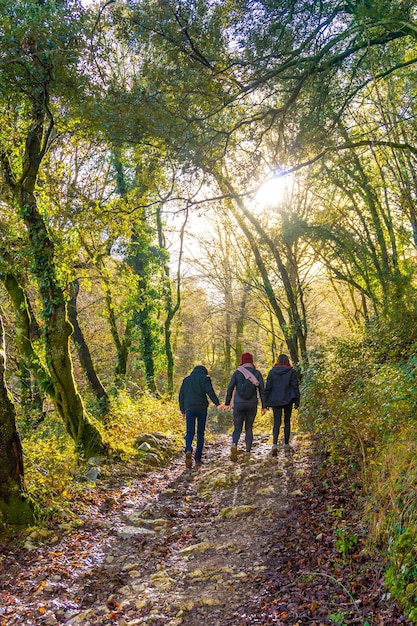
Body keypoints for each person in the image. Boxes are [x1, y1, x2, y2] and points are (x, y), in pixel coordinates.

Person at [224, 352, 266, 461]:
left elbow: (230, 388)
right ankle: (248, 451)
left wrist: (227, 403)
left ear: (242, 361)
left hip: (238, 404)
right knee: (249, 428)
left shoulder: (237, 373)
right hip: (252, 404)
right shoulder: (257, 373)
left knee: (237, 427)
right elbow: (262, 390)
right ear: (252, 361)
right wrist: (264, 405)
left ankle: (234, 444)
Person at [179, 365, 223, 469]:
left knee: (189, 432)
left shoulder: (186, 380)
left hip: (189, 408)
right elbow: (210, 391)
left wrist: (182, 410)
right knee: (200, 432)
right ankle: (198, 458)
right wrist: (217, 404)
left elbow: (181, 395)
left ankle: (188, 449)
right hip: (201, 408)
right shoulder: (205, 378)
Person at [264, 353, 300, 454]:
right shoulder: (291, 372)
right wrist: (297, 400)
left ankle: (275, 444)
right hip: (288, 400)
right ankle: (286, 444)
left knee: (276, 422)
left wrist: (265, 402)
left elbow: (268, 387)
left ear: (278, 361)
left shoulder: (272, 372)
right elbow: (295, 386)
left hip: (275, 400)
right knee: (287, 421)